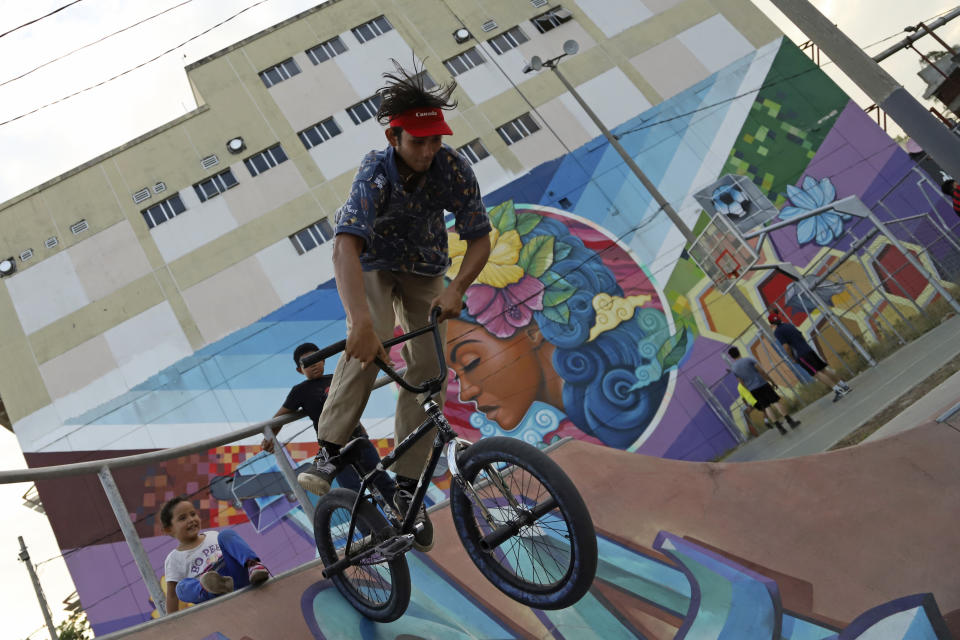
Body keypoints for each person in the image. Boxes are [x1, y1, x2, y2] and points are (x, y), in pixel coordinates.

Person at [308, 60, 493, 553]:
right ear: (394, 138)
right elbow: (345, 246)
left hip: (426, 268)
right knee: (373, 341)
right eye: (417, 142)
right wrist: (361, 323)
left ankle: (407, 484)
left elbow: (479, 239)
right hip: (372, 263)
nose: (428, 151)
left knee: (430, 370)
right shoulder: (374, 172)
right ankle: (329, 448)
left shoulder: (453, 168)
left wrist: (457, 290)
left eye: (435, 141)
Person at [443, 208, 672, 450]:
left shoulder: (634, 407)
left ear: (532, 328)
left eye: (470, 362)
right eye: (457, 374)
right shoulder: (605, 419)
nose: (465, 393)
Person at [261, 343, 395, 503]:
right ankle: (370, 529)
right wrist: (269, 438)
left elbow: (350, 409)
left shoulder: (336, 379)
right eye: (307, 363)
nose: (314, 365)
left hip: (358, 438)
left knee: (382, 479)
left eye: (317, 359)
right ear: (299, 370)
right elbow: (279, 417)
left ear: (323, 360)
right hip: (333, 449)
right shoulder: (300, 391)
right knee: (351, 494)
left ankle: (408, 519)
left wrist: (364, 432)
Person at [161, 496, 269, 612]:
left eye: (193, 514)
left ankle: (253, 566)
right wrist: (172, 624)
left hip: (235, 578)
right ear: (169, 530)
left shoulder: (213, 535)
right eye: (182, 518)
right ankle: (213, 586)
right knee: (180, 588)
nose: (191, 519)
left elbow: (232, 551)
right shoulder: (173, 559)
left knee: (226, 534)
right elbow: (172, 595)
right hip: (212, 594)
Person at [768, 310, 851, 402]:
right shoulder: (789, 325)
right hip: (808, 349)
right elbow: (801, 335)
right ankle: (844, 386)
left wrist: (792, 358)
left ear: (771, 324)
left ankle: (838, 390)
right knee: (823, 370)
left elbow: (786, 347)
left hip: (801, 355)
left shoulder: (778, 332)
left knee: (816, 373)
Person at [727, 346, 800, 435]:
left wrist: (749, 389)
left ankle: (780, 428)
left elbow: (741, 382)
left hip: (753, 389)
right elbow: (761, 371)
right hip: (762, 384)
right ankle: (790, 421)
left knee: (766, 406)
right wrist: (771, 381)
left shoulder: (734, 368)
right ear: (739, 351)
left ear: (731, 356)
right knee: (776, 402)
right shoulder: (749, 360)